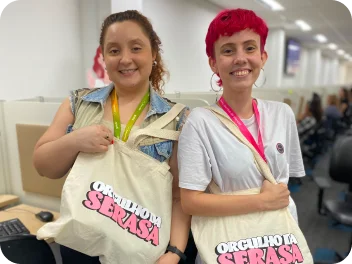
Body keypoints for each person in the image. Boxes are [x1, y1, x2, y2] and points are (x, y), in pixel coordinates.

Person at [33, 10, 190, 264]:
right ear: (104, 58)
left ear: (153, 54)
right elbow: (42, 165)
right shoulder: (79, 104)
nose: (125, 59)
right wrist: (75, 140)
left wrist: (174, 252)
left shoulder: (177, 119)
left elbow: (180, 196)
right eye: (114, 50)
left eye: (136, 48)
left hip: (141, 249)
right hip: (81, 245)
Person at [177, 9, 305, 264]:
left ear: (263, 56)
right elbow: (190, 203)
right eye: (227, 50)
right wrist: (262, 201)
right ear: (213, 62)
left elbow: (282, 185)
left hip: (278, 241)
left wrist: (270, 202)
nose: (240, 58)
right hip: (227, 245)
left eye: (249, 48)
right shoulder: (200, 122)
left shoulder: (283, 114)